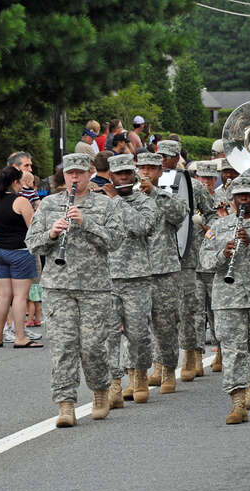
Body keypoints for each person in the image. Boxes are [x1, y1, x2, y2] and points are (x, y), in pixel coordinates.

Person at [25, 153, 123, 427]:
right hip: (58, 287)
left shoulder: (104, 204)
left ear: (90, 173)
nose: (75, 178)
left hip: (94, 288)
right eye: (70, 173)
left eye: (80, 172)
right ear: (64, 175)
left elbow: (116, 241)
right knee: (63, 347)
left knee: (92, 346)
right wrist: (52, 234)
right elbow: (32, 243)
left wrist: (86, 222)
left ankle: (101, 391)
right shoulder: (48, 204)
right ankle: (65, 404)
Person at [200, 175, 250, 424]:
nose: (244, 199)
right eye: (239, 195)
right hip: (228, 298)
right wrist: (222, 254)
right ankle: (237, 402)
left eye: (249, 194)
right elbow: (204, 261)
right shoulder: (218, 227)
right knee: (233, 350)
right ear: (232, 199)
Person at [102, 153, 157, 406]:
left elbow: (141, 227)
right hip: (107, 277)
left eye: (127, 173)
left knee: (138, 334)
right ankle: (114, 382)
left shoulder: (145, 202)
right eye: (118, 174)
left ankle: (140, 375)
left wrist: (116, 201)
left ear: (133, 176)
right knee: (110, 335)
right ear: (110, 176)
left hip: (137, 277)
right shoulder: (100, 202)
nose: (123, 177)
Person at [139, 143, 189, 393]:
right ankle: (143, 371)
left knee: (166, 323)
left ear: (160, 171)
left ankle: (168, 369)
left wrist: (156, 193)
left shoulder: (167, 193)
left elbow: (181, 215)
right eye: (143, 168)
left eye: (151, 168)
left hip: (164, 268)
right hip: (135, 270)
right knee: (137, 326)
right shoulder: (128, 196)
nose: (146, 172)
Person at [0, 166, 40, 348]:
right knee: (19, 296)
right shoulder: (20, 201)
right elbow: (32, 227)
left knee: (2, 295)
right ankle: (20, 337)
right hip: (19, 250)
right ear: (15, 182)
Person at [178, 161, 216, 383]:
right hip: (176, 259)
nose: (208, 181)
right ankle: (192, 355)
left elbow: (213, 217)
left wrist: (210, 229)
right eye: (204, 177)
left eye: (212, 177)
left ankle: (203, 353)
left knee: (209, 309)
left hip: (203, 258)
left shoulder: (196, 189)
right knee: (187, 310)